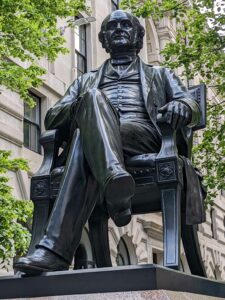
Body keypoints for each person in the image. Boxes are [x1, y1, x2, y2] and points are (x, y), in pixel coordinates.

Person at [14, 10, 202, 274]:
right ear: (103, 38)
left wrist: (181, 106)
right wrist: (86, 108)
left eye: (126, 25)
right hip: (95, 144)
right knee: (88, 115)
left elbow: (191, 104)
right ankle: (115, 180)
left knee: (85, 137)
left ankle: (55, 250)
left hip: (143, 137)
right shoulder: (86, 81)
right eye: (112, 26)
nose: (119, 29)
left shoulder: (160, 74)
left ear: (138, 35)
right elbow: (52, 117)